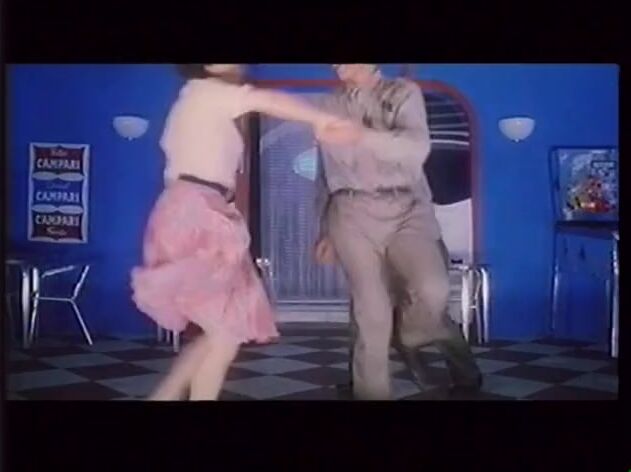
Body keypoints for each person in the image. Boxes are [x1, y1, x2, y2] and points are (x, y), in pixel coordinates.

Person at [130, 64, 360, 401]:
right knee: (224, 332)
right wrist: (321, 119)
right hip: (196, 212)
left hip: (202, 210)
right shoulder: (207, 92)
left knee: (222, 331)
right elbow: (265, 99)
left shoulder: (199, 98)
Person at [312, 64, 482, 400]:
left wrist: (360, 135)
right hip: (351, 212)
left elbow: (414, 148)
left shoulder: (403, 93)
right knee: (370, 312)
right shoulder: (328, 104)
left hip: (407, 208)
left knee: (431, 293)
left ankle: (429, 350)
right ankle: (369, 391)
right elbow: (324, 173)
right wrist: (325, 229)